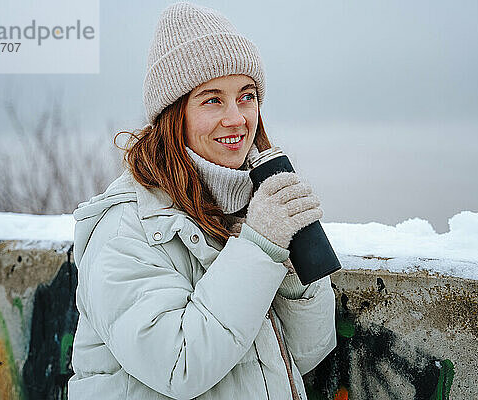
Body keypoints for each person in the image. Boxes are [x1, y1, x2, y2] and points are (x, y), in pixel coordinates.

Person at [68, 2, 336, 399]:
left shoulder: (245, 212)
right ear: (175, 114)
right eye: (213, 100)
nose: (237, 118)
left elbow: (306, 353)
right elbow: (179, 367)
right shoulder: (124, 229)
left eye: (246, 97)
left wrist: (293, 267)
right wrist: (259, 247)